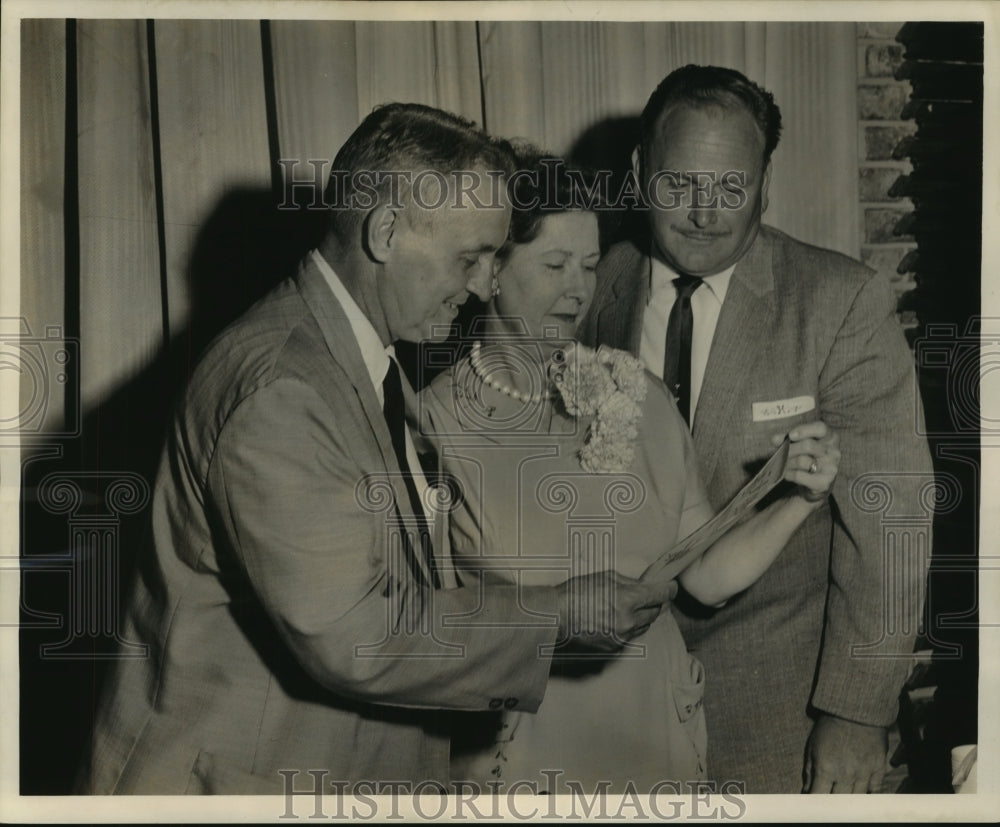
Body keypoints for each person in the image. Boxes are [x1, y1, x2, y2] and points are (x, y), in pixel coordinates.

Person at [78, 104, 677, 795]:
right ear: (386, 231)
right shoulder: (283, 388)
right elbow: (357, 635)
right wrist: (559, 613)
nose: (482, 284)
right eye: (470, 257)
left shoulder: (358, 361)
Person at [419, 154, 841, 793]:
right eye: (555, 265)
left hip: (653, 740)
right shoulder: (432, 424)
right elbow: (416, 630)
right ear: (489, 271)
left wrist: (798, 500)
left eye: (590, 266)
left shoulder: (637, 394)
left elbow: (705, 576)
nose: (579, 289)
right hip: (524, 755)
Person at [578, 65, 934, 793]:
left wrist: (856, 712)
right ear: (640, 172)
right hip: (613, 714)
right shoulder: (589, 285)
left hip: (781, 719)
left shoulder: (839, 302)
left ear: (765, 182)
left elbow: (891, 525)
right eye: (680, 184)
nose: (704, 212)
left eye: (730, 186)